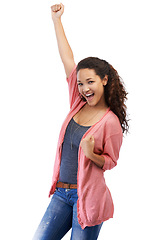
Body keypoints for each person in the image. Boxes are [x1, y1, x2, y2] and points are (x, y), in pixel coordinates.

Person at [33, 3, 129, 240]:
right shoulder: (78, 103)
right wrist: (57, 21)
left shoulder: (110, 122)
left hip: (88, 198)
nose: (85, 88)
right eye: (80, 83)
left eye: (90, 82)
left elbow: (110, 162)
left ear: (104, 80)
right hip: (61, 194)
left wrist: (91, 153)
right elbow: (67, 58)